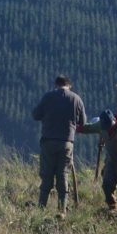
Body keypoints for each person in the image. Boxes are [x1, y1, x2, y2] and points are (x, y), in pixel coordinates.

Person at [32, 75, 87, 214]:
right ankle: (62, 210)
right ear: (69, 85)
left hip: (48, 141)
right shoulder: (76, 99)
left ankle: (41, 209)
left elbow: (36, 115)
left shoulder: (48, 97)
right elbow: (83, 123)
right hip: (66, 143)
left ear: (56, 85)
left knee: (47, 176)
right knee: (63, 174)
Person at [78, 109, 117, 212]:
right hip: (113, 160)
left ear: (114, 120)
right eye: (105, 128)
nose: (107, 130)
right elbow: (87, 128)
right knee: (107, 184)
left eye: (109, 127)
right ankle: (113, 207)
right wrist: (72, 127)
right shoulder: (101, 125)